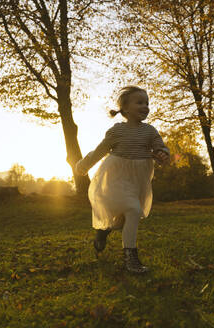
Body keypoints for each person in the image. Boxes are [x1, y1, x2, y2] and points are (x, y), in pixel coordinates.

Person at [75, 86, 169, 273]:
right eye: (139, 102)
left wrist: (162, 153)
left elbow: (160, 146)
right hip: (116, 177)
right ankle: (130, 258)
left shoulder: (150, 131)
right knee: (133, 210)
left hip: (138, 179)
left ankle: (102, 232)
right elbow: (100, 150)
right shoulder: (116, 131)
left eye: (147, 103)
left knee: (121, 220)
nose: (145, 106)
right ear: (125, 108)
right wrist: (84, 166)